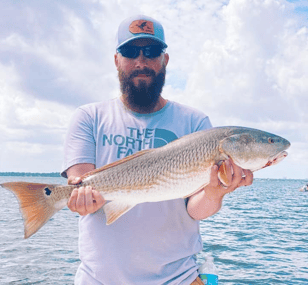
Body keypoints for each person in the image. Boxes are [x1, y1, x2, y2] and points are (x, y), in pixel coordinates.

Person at [61, 15, 253, 285]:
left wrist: (215, 191)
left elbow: (195, 210)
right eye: (130, 51)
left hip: (178, 279)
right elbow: (81, 185)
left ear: (165, 60)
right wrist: (79, 199)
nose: (141, 61)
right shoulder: (89, 117)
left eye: (151, 52)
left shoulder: (195, 123)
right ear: (117, 60)